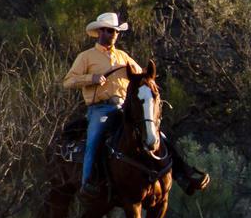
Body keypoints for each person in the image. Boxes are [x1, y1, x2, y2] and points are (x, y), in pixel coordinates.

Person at [63, 12, 209, 198]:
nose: (112, 35)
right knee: (94, 140)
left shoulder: (124, 57)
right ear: (99, 32)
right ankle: (88, 183)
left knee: (159, 136)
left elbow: (140, 74)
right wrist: (91, 78)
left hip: (124, 108)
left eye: (114, 31)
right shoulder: (86, 57)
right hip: (100, 108)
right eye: (108, 31)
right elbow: (68, 81)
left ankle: (182, 175)